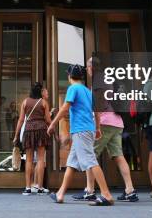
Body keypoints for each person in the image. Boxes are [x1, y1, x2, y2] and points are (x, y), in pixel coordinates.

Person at [47, 64, 114, 206]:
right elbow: (96, 111)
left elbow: (65, 107)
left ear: (69, 76)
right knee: (71, 163)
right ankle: (60, 194)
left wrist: (53, 123)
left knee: (90, 161)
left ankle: (106, 195)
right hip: (87, 129)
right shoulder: (88, 91)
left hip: (80, 130)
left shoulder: (73, 88)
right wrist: (97, 128)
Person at [74, 57, 138, 202]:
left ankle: (89, 191)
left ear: (92, 67)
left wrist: (94, 123)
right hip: (117, 122)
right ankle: (130, 190)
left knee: (90, 156)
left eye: (87, 67)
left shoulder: (98, 81)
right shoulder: (109, 78)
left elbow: (98, 105)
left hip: (104, 122)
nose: (86, 70)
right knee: (118, 156)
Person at [13, 83, 51, 195]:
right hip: (41, 130)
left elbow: (20, 120)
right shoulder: (43, 102)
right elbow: (48, 120)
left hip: (28, 130)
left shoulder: (25, 102)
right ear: (40, 92)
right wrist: (53, 131)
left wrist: (16, 135)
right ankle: (39, 187)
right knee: (40, 159)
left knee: (29, 160)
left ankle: (28, 188)